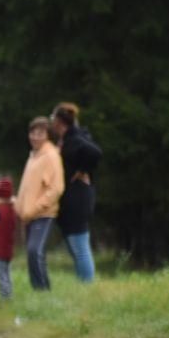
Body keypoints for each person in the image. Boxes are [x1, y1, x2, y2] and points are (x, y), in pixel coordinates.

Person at [51, 102, 102, 282]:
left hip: (78, 198)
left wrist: (82, 170)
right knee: (74, 245)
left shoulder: (75, 138)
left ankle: (87, 286)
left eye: (53, 119)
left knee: (80, 246)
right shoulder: (66, 139)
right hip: (70, 199)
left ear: (59, 122)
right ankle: (83, 283)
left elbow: (95, 152)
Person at [15, 116, 64, 290]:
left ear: (48, 135)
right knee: (32, 254)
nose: (35, 137)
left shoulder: (51, 156)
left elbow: (56, 188)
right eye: (33, 133)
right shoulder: (33, 156)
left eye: (40, 133)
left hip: (43, 214)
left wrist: (36, 208)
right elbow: (27, 188)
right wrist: (20, 207)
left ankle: (44, 290)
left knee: (35, 251)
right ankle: (37, 291)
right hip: (29, 215)